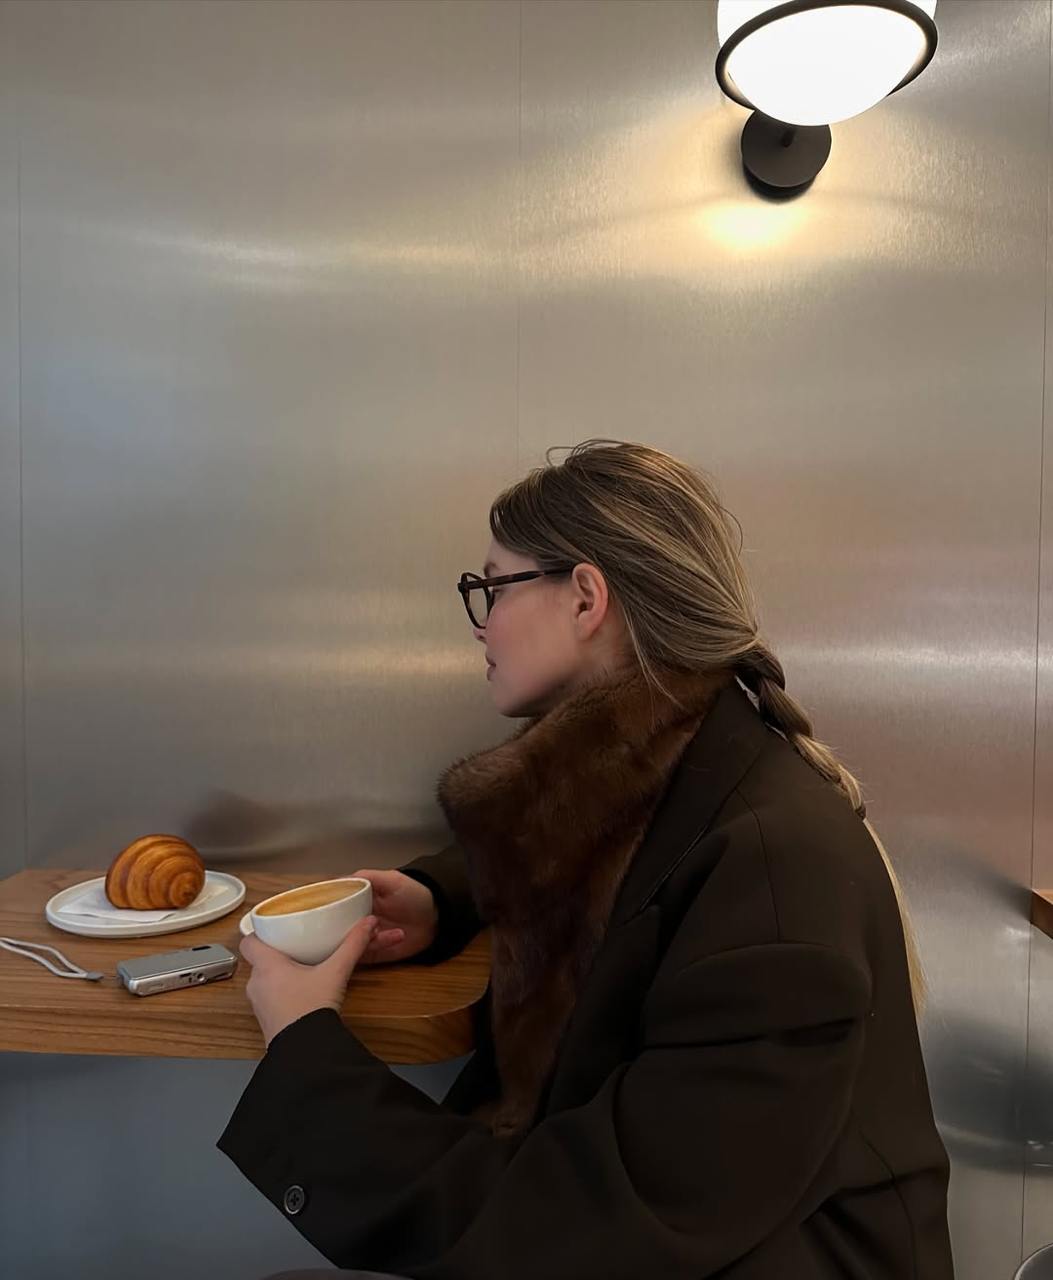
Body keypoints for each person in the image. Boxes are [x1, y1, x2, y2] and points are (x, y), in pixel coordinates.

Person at [219, 439, 954, 1279]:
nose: (481, 623)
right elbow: (596, 847)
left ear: (583, 597)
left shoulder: (775, 871)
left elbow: (590, 1223)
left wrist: (306, 1047)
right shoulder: (688, 769)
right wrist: (437, 897)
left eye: (492, 588)